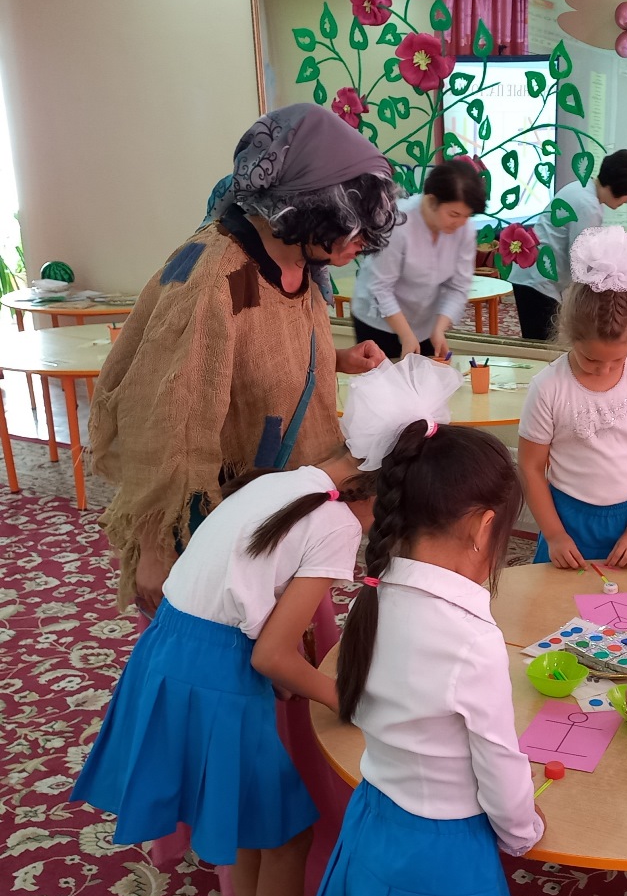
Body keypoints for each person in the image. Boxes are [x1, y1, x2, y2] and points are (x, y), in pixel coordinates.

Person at [71, 358, 460, 896]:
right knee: (286, 838)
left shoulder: (290, 483)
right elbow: (273, 656)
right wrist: (355, 703)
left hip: (170, 655)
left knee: (257, 828)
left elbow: (246, 602)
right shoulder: (336, 524)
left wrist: (296, 675)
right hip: (215, 677)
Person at [281, 394, 543, 896]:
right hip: (442, 857)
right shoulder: (470, 636)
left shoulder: (378, 592)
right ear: (484, 528)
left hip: (374, 824)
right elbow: (499, 763)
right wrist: (524, 831)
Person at [90, 104, 397, 612]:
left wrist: (338, 359)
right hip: (217, 513)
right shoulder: (214, 278)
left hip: (278, 497)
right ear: (305, 208)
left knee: (282, 631)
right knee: (219, 640)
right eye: (352, 226)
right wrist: (156, 546)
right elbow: (162, 414)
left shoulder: (298, 259)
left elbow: (261, 347)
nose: (360, 244)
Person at [518, 226, 627, 567]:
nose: (604, 370)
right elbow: (530, 467)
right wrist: (555, 535)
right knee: (558, 599)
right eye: (591, 359)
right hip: (567, 522)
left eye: (617, 360)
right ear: (570, 335)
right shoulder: (548, 386)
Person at [350, 159, 488, 359]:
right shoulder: (397, 222)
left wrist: (439, 329)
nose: (460, 223)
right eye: (454, 214)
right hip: (379, 323)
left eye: (467, 216)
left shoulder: (463, 229)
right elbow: (380, 288)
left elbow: (459, 287)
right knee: (383, 376)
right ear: (431, 201)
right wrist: (406, 334)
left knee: (426, 376)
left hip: (425, 325)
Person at [510, 149, 627, 340]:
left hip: (534, 275)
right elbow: (582, 261)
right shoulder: (588, 205)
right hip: (539, 280)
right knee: (540, 345)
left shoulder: (581, 188)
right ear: (618, 187)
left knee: (538, 340)